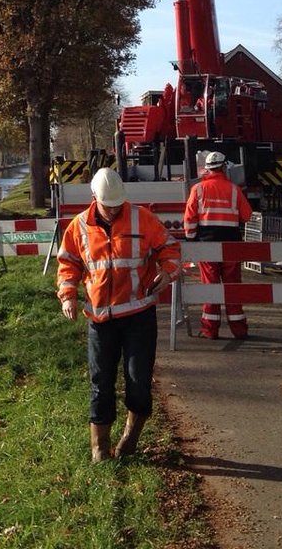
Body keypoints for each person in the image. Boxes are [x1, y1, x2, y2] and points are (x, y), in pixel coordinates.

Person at [56, 167, 181, 463]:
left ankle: (129, 440)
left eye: (116, 206)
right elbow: (68, 265)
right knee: (101, 383)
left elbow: (170, 248)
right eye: (107, 206)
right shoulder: (79, 227)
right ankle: (100, 451)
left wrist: (167, 273)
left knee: (138, 381)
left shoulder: (141, 218)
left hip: (138, 315)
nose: (112, 211)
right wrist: (68, 296)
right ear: (94, 199)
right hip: (100, 320)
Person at [183, 150, 253, 339]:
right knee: (232, 288)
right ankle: (239, 330)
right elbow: (247, 216)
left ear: (207, 169)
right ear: (223, 167)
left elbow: (189, 219)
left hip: (206, 246)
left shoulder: (197, 189)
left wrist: (191, 241)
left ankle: (210, 330)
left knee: (210, 288)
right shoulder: (234, 189)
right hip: (231, 245)